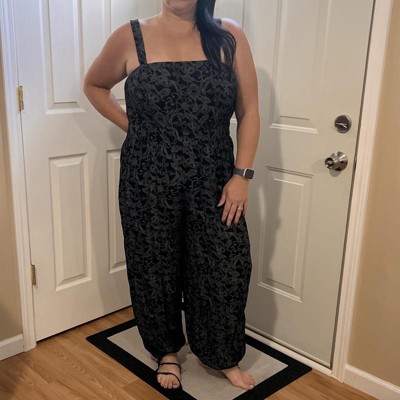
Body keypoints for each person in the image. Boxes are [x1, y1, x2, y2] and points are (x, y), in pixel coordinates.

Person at [83, 0, 260, 392]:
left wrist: (242, 176)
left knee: (224, 266)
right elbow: (94, 85)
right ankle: (166, 351)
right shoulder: (130, 36)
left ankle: (222, 353)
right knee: (154, 265)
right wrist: (134, 126)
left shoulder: (228, 36)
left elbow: (249, 111)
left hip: (215, 179)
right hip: (147, 176)